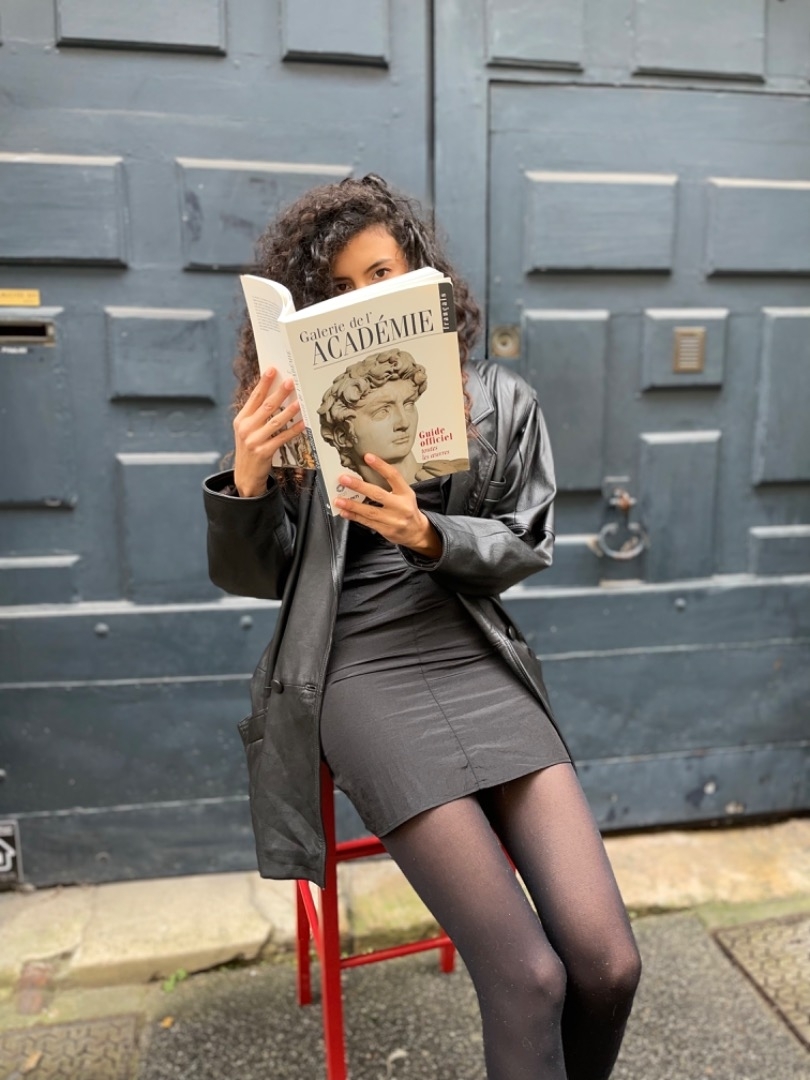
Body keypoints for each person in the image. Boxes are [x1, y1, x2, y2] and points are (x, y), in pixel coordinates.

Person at [203, 174, 641, 1080]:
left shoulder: (498, 399)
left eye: (382, 276)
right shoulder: (292, 418)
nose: (366, 298)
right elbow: (256, 579)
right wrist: (247, 479)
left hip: (469, 652)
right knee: (528, 979)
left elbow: (526, 542)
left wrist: (429, 533)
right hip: (357, 670)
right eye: (339, 290)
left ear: (421, 275)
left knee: (607, 965)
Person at [317, 347, 468, 485]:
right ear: (343, 436)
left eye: (408, 404)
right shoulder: (341, 500)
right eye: (383, 411)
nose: (404, 423)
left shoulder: (460, 476)